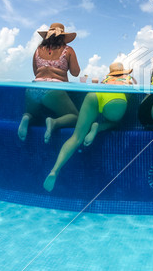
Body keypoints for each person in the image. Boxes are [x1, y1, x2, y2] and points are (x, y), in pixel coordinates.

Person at [43, 62, 134, 192]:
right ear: (125, 72)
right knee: (117, 123)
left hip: (95, 94)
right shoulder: (128, 80)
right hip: (116, 100)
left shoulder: (106, 80)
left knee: (76, 137)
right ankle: (98, 127)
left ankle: (55, 170)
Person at [18, 22, 80, 143]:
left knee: (34, 116)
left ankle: (26, 117)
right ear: (63, 37)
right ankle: (54, 122)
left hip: (33, 88)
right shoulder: (68, 50)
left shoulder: (38, 49)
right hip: (54, 90)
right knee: (75, 117)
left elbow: (36, 72)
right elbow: (75, 72)